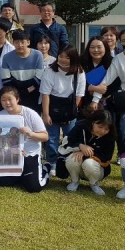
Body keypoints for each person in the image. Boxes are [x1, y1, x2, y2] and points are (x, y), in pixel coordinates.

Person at [40, 46, 86, 176]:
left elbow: (79, 95)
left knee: (70, 138)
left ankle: (68, 162)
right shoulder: (50, 70)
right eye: (61, 56)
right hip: (53, 107)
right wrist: (46, 114)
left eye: (67, 57)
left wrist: (71, 113)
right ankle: (52, 162)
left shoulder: (79, 72)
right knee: (52, 138)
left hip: (69, 110)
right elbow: (45, 94)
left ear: (74, 59)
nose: (64, 60)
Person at [0, 86, 50, 193]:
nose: (7, 103)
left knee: (34, 187)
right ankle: (23, 174)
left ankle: (45, 169)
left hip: (30, 154)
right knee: (1, 182)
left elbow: (45, 136)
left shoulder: (30, 114)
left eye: (10, 99)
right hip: (10, 154)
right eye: (3, 100)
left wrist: (30, 133)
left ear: (17, 99)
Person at [64, 109, 116, 195]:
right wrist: (80, 146)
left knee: (89, 163)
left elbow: (106, 157)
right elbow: (68, 141)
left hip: (97, 169)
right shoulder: (80, 127)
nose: (102, 131)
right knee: (72, 159)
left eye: (106, 129)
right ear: (92, 122)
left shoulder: (110, 136)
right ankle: (74, 181)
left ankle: (94, 183)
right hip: (79, 165)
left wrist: (86, 153)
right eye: (100, 127)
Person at [1, 30, 45, 113]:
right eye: (17, 42)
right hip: (15, 95)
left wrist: (26, 90)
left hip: (34, 94)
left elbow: (39, 78)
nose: (20, 45)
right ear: (13, 42)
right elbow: (6, 80)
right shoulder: (7, 57)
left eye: (22, 42)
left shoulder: (38, 55)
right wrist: (18, 92)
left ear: (28, 42)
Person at [80, 36, 115, 112]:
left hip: (107, 103)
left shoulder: (112, 62)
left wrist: (102, 93)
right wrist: (92, 88)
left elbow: (116, 83)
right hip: (84, 102)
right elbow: (75, 81)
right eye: (92, 47)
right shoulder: (81, 62)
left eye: (99, 47)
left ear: (105, 48)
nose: (96, 50)